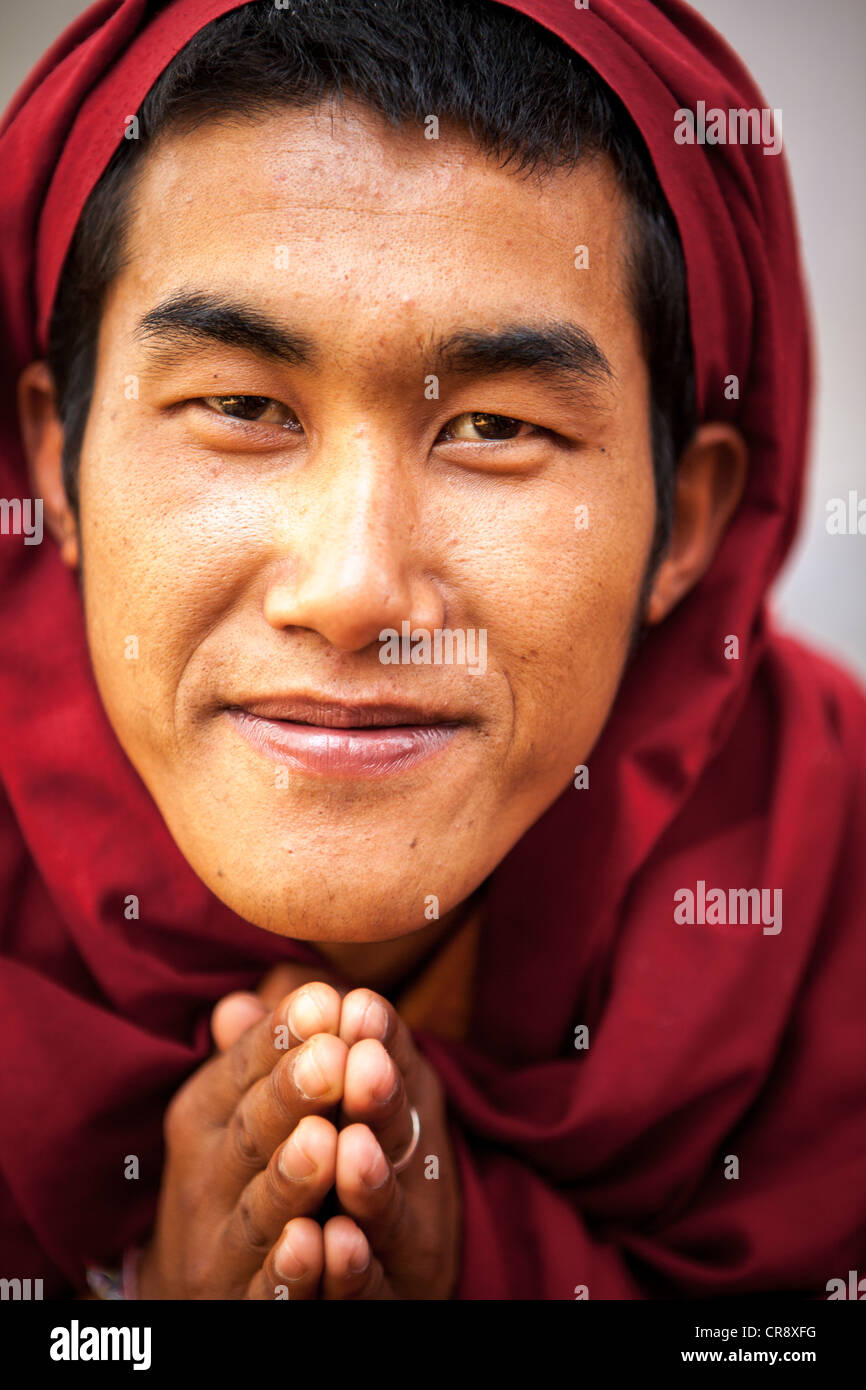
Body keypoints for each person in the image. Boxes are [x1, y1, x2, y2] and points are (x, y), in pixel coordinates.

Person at [1, 0, 863, 1301]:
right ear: (52, 464)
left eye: (494, 427)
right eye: (239, 406)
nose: (354, 590)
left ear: (682, 521)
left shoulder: (832, 903)